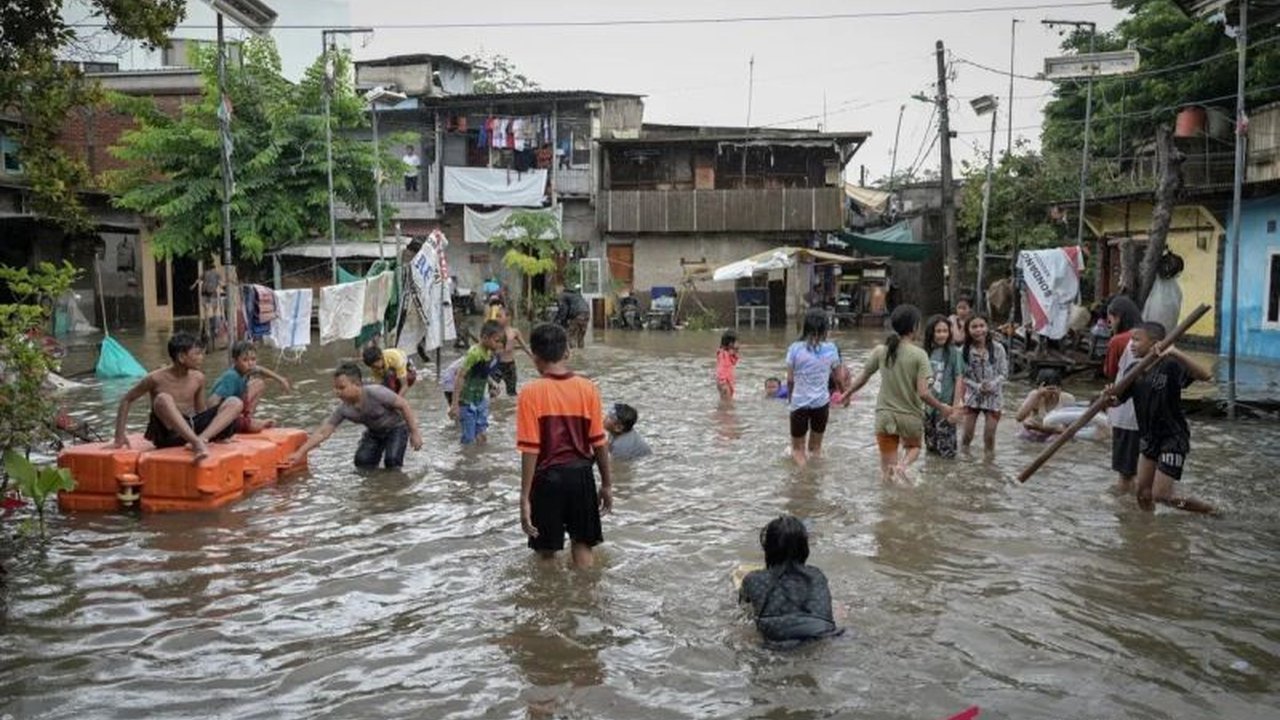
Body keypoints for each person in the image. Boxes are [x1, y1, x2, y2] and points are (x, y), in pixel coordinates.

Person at [517, 323, 613, 568]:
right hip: (581, 477)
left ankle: (552, 604)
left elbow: (531, 449)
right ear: (567, 352)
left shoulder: (530, 393)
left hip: (547, 480)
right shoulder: (588, 388)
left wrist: (525, 497)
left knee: (546, 552)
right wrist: (607, 484)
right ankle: (586, 600)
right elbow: (599, 442)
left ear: (535, 357)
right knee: (582, 546)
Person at [844, 305, 961, 482]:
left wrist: (847, 393)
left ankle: (889, 501)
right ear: (914, 327)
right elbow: (923, 393)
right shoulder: (919, 354)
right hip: (910, 417)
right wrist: (942, 407)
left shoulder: (880, 351)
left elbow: (864, 377)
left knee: (886, 473)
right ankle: (903, 466)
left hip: (885, 417)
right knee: (914, 448)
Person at [1109, 322, 1216, 514]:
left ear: (1154, 343)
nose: (1131, 344)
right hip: (1149, 438)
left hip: (1172, 438)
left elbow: (1206, 375)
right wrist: (1108, 397)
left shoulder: (1171, 365)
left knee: (1162, 496)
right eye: (1131, 339)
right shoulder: (1133, 370)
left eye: (1137, 340)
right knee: (1142, 493)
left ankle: (1207, 510)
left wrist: (1175, 352)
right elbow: (1117, 401)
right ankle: (1148, 530)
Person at [110, 332, 244, 461]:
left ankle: (200, 440)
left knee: (235, 402)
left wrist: (218, 429)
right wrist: (119, 436)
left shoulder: (198, 378)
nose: (201, 357)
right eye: (197, 353)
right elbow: (127, 399)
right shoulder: (155, 378)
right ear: (181, 357)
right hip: (167, 434)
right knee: (163, 398)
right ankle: (197, 443)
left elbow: (200, 411)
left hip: (190, 428)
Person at [287, 362, 423, 469]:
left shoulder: (376, 392)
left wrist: (415, 433)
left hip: (396, 428)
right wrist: (300, 452)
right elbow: (323, 433)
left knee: (392, 461)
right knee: (362, 462)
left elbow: (404, 405)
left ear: (357, 384)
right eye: (335, 388)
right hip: (374, 433)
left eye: (342, 388)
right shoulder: (343, 409)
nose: (337, 392)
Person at [738, 515, 841, 648]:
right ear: (804, 548)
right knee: (840, 609)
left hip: (775, 636)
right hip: (821, 632)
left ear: (768, 548)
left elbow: (743, 607)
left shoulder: (753, 579)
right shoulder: (817, 575)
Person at [785, 309, 845, 467]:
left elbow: (790, 380)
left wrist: (790, 398)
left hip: (799, 404)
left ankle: (804, 478)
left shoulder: (794, 348)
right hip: (821, 405)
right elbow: (839, 378)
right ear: (825, 328)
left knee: (797, 450)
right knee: (816, 448)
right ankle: (816, 481)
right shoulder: (831, 349)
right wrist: (845, 395)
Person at [207, 340, 292, 433]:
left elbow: (260, 370)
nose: (250, 363)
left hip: (236, 409)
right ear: (235, 361)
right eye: (245, 360)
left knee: (259, 383)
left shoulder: (246, 370)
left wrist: (281, 379)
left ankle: (247, 418)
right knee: (257, 427)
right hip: (224, 413)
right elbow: (212, 402)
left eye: (253, 359)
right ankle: (239, 423)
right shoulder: (231, 376)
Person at [1104, 296, 1143, 494]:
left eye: (1110, 320)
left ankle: (1125, 514)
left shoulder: (1119, 341)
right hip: (1145, 414)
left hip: (1125, 413)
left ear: (1117, 317)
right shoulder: (1149, 338)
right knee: (1140, 469)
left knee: (1124, 473)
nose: (1109, 325)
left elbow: (1110, 374)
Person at [450, 320, 506, 445]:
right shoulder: (474, 353)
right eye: (496, 341)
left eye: (500, 341)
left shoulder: (488, 353)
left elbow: (480, 373)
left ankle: (479, 462)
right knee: (468, 438)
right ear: (485, 338)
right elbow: (460, 376)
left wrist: (492, 383)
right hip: (467, 401)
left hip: (480, 399)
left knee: (482, 434)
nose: (498, 345)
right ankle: (465, 461)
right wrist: (454, 404)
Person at [960, 314, 1008, 453]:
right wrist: (977, 386)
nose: (978, 330)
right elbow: (962, 376)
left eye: (982, 326)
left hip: (994, 397)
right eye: (974, 327)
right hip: (972, 398)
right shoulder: (964, 351)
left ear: (987, 328)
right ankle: (965, 461)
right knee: (967, 436)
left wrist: (992, 384)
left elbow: (1004, 373)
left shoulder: (998, 349)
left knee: (989, 436)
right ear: (968, 330)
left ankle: (989, 464)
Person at [922, 313, 966, 458]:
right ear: (931, 333)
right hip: (928, 408)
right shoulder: (925, 353)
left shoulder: (954, 353)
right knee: (930, 449)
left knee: (947, 452)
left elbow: (959, 379)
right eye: (938, 331)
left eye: (945, 331)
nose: (942, 335)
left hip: (946, 408)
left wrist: (955, 408)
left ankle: (949, 478)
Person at [1015, 367, 1077, 442]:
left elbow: (1070, 430)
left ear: (1060, 388)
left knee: (1054, 440)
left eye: (1055, 389)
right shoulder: (1035, 396)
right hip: (1036, 432)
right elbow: (1019, 417)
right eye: (1048, 390)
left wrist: (1040, 427)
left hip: (1055, 432)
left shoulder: (1068, 399)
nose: (1052, 394)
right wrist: (1037, 395)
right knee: (1022, 436)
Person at [491, 300, 534, 397]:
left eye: (499, 316)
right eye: (496, 316)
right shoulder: (493, 332)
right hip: (496, 365)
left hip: (510, 366)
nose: (497, 318)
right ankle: (495, 411)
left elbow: (524, 346)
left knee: (512, 393)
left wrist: (533, 357)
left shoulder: (514, 332)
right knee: (493, 393)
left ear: (508, 318)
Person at [554, 283, 591, 349]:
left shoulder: (562, 295)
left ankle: (573, 354)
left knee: (570, 335)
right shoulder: (576, 294)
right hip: (586, 313)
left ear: (561, 289)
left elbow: (563, 309)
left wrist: (559, 321)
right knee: (580, 337)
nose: (556, 292)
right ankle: (581, 352)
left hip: (578, 314)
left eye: (556, 289)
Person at [716, 330, 740, 400]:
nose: (738, 344)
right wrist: (723, 382)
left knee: (727, 403)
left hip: (727, 381)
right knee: (727, 405)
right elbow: (721, 368)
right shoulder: (723, 354)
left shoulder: (727, 354)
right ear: (730, 343)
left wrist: (735, 352)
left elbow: (734, 361)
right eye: (736, 341)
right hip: (724, 382)